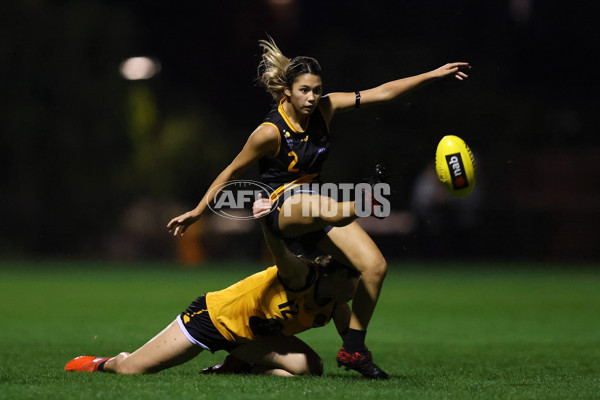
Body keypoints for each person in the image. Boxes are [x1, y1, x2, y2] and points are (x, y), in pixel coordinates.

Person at [167, 37, 470, 372]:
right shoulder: (269, 132)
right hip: (282, 210)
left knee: (374, 267)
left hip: (317, 212)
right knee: (319, 203)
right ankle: (362, 200)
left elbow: (382, 92)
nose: (312, 97)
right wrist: (198, 212)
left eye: (317, 89)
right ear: (288, 91)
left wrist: (433, 75)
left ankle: (354, 349)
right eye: (304, 90)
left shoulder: (326, 108)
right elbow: (231, 170)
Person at [65, 199, 370, 378]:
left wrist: (367, 367)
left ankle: (237, 365)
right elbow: (279, 250)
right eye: (355, 277)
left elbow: (353, 346)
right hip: (212, 319)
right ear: (334, 274)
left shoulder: (336, 303)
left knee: (310, 367)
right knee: (132, 370)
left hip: (249, 337)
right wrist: (268, 220)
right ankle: (100, 363)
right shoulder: (302, 276)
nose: (359, 285)